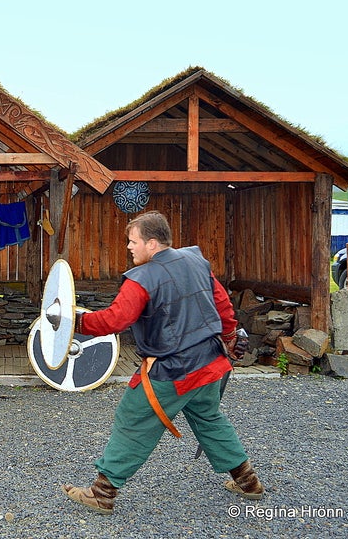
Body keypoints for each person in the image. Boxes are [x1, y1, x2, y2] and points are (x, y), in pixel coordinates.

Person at [62, 210, 262, 515]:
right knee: (209, 418)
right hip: (211, 363)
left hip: (174, 371)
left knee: (133, 418)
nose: (129, 247)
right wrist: (231, 334)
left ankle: (102, 493)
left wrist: (76, 322)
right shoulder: (196, 261)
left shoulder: (142, 278)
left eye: (133, 242)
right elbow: (221, 302)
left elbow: (117, 319)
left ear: (152, 244)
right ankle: (248, 482)